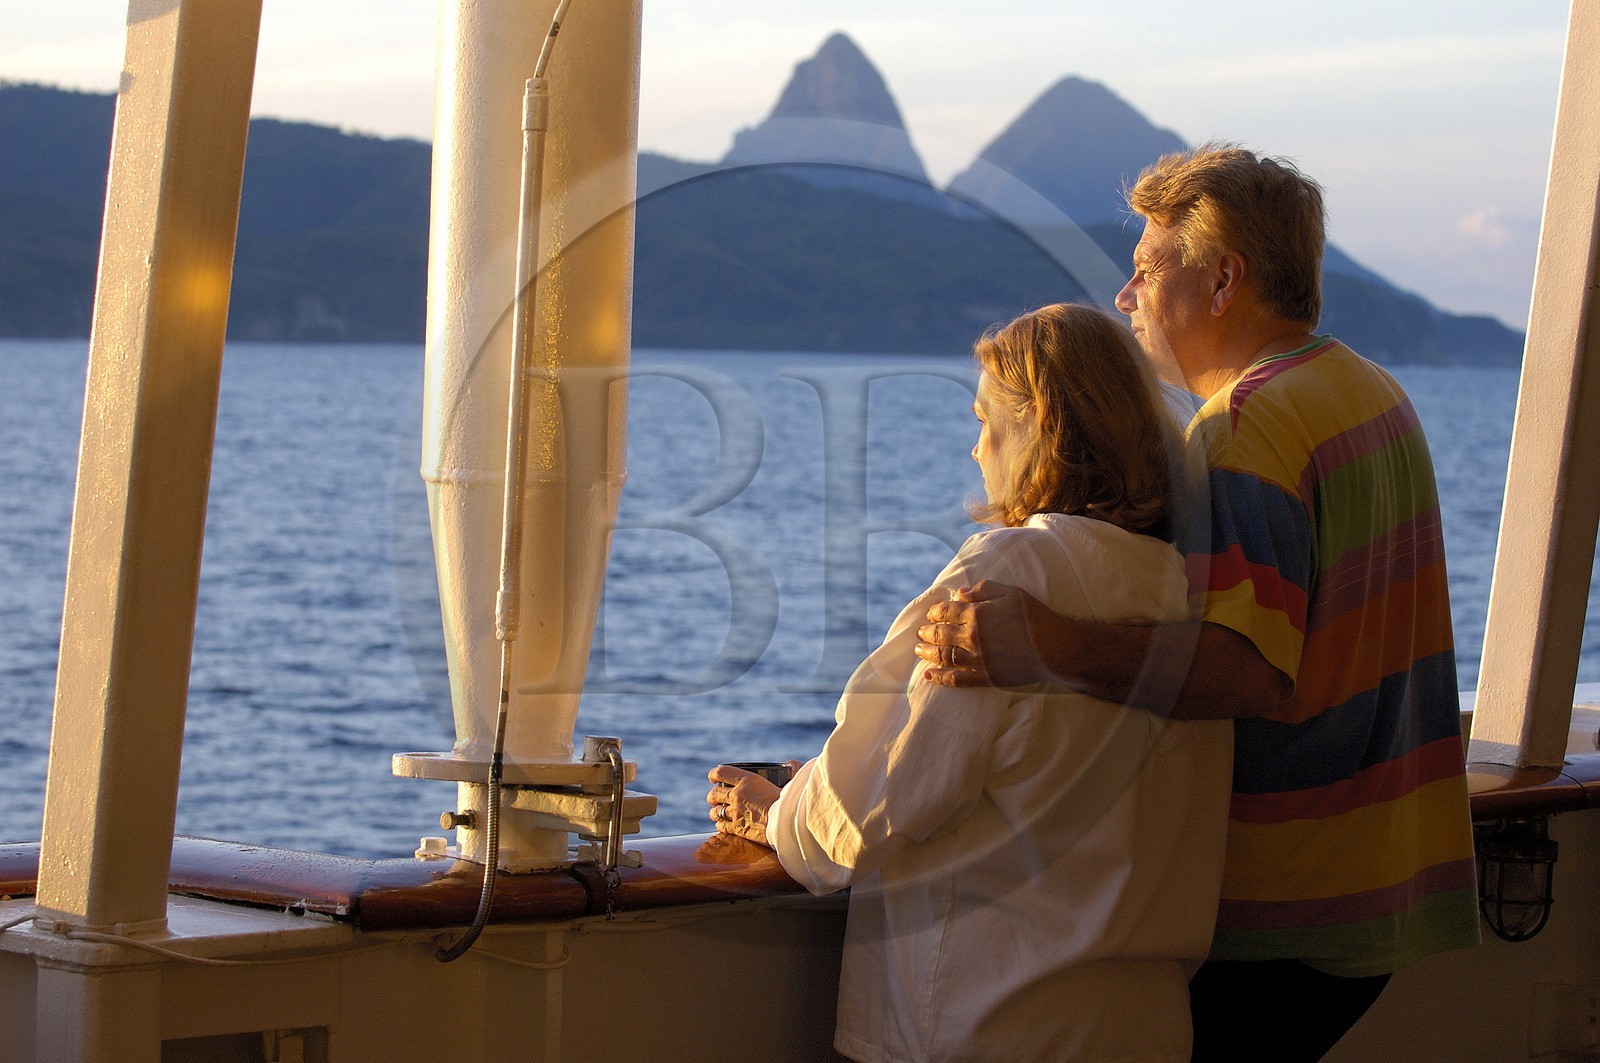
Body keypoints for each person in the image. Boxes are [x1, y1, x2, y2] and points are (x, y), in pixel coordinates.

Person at [915, 145, 1480, 1062]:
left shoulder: (1247, 428)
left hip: (1285, 905)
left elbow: (1248, 671)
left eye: (1145, 269)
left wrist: (1045, 643)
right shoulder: (1373, 394)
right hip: (1388, 882)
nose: (1126, 295)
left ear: (1223, 281)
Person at [707, 303, 1232, 1062]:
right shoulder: (1179, 592)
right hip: (1140, 1028)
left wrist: (778, 816)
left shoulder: (1007, 572)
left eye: (986, 418)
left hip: (986, 1024)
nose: (975, 445)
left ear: (1040, 428)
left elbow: (882, 793)